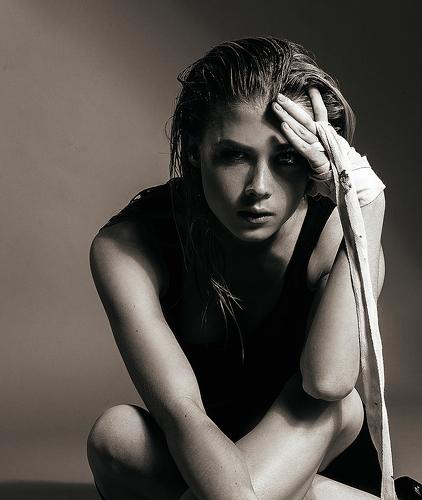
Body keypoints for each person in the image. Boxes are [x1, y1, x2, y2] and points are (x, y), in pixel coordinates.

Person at [86, 36, 388, 500]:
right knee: (116, 435)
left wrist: (366, 204)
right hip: (201, 458)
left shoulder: (335, 236)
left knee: (333, 405)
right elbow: (180, 413)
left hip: (314, 442)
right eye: (234, 155)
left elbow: (328, 381)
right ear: (194, 152)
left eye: (286, 158)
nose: (258, 187)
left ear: (315, 162)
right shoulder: (130, 246)